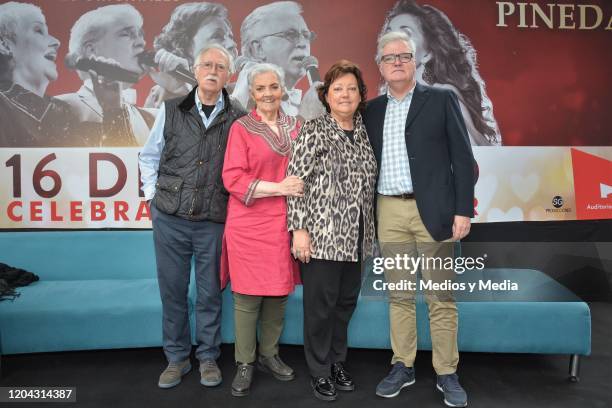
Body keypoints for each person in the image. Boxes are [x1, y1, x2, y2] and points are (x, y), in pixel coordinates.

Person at [363, 31, 474, 407]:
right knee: (400, 295)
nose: (397, 61)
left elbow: (463, 160)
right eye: (389, 57)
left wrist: (463, 210)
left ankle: (447, 371)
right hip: (389, 211)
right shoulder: (371, 110)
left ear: (416, 62)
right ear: (380, 66)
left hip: (436, 212)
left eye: (404, 56)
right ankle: (403, 365)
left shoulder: (441, 99)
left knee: (440, 296)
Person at [139, 44, 246, 390]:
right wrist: (153, 199)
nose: (213, 71)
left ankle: (209, 357)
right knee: (172, 291)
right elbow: (148, 156)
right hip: (170, 219)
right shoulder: (170, 109)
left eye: (220, 66)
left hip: (214, 221)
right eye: (207, 65)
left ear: (229, 76)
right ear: (196, 70)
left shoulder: (239, 116)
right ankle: (176, 358)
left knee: (209, 293)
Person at [287, 60, 377, 402]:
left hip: (357, 240)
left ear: (360, 95)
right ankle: (320, 370)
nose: (345, 94)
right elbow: (297, 184)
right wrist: (299, 231)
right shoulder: (313, 130)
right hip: (321, 238)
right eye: (338, 88)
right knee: (320, 309)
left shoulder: (366, 132)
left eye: (351, 88)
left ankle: (338, 362)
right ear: (326, 95)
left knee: (344, 305)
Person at [221, 63, 302, 397]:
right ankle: (244, 362)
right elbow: (233, 178)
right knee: (247, 297)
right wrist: (279, 187)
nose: (268, 94)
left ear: (282, 89)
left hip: (285, 222)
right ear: (251, 93)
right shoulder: (241, 128)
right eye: (260, 89)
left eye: (273, 87)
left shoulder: (298, 126)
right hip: (248, 223)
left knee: (279, 293)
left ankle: (270, 354)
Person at [379, 0, 501, 146]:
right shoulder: (384, 105)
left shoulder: (444, 97)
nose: (394, 40)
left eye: (406, 34)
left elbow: (476, 155)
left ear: (427, 54)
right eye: (389, 33)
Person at [56, 4, 156, 146]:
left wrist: (178, 86)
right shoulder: (62, 107)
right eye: (126, 34)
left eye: (140, 35)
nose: (141, 42)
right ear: (91, 50)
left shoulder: (151, 117)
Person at [0, 2, 83, 147]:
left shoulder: (63, 111)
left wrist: (111, 107)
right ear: (5, 45)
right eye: (38, 30)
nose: (56, 42)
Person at [232, 1, 324, 121]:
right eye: (291, 35)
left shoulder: (309, 105)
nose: (303, 44)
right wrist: (305, 118)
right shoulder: (227, 99)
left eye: (306, 35)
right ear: (258, 48)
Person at [144, 2, 238, 108]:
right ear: (184, 47)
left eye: (231, 37)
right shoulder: (160, 96)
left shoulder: (243, 93)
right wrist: (181, 90)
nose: (232, 44)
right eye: (217, 36)